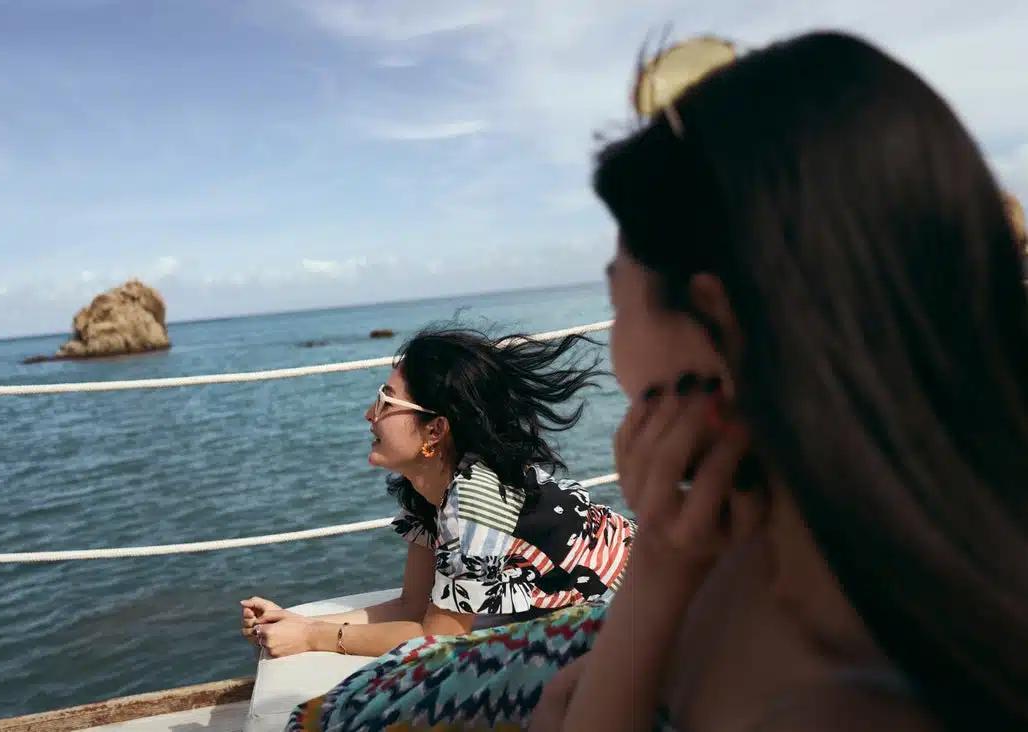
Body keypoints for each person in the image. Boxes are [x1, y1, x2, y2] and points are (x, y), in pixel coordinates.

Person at [290, 30, 1028, 732]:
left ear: (714, 325)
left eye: (618, 301)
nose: (616, 353)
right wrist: (662, 570)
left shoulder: (819, 693)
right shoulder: (791, 552)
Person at [240, 326, 635, 660]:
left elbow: (437, 641)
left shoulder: (477, 502)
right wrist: (297, 624)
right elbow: (413, 607)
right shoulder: (430, 491)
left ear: (435, 430)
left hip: (643, 616)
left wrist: (313, 638)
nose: (368, 413)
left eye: (384, 400)